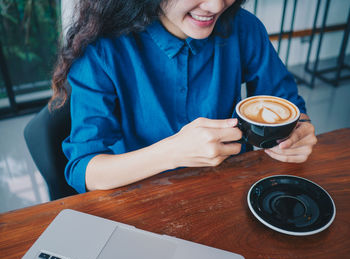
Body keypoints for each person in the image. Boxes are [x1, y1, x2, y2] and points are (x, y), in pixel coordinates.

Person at [51, 0, 317, 194]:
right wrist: (172, 153)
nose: (216, 6)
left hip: (230, 190)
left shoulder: (244, 28)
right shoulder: (102, 50)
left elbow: (289, 105)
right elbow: (84, 171)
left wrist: (299, 131)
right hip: (143, 198)